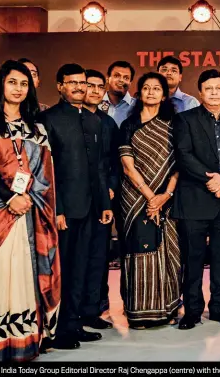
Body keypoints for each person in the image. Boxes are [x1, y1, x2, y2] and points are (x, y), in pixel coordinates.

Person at [0, 60, 60, 361]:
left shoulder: (37, 126)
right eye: (12, 82)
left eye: (23, 84)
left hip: (31, 213)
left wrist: (29, 199)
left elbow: (46, 173)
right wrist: (9, 198)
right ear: (1, 85)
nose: (18, 89)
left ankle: (22, 341)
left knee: (23, 273)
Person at [39, 64, 113, 349]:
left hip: (92, 209)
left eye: (83, 82)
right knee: (62, 270)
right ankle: (54, 331)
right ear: (59, 86)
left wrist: (104, 204)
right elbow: (46, 170)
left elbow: (100, 169)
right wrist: (56, 209)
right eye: (72, 82)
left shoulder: (95, 121)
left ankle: (73, 324)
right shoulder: (47, 119)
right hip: (63, 211)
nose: (80, 87)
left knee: (81, 268)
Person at [173, 69, 220, 330]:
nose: (214, 93)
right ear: (200, 92)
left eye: (219, 88)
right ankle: (192, 310)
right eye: (209, 88)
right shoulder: (185, 120)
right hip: (194, 200)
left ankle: (219, 307)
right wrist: (211, 180)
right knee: (192, 259)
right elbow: (184, 155)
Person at [118, 72, 181, 329]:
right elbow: (127, 166)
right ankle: (138, 312)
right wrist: (150, 197)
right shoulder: (128, 125)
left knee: (168, 251)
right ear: (139, 93)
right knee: (139, 251)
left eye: (157, 88)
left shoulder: (175, 125)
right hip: (134, 199)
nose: (151, 92)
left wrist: (164, 196)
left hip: (168, 196)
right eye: (146, 88)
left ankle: (167, 309)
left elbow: (180, 164)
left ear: (164, 95)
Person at [82, 69, 120, 329]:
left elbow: (116, 162)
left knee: (98, 258)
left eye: (99, 87)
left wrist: (112, 187)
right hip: (77, 201)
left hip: (103, 201)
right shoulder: (70, 119)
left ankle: (94, 310)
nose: (94, 91)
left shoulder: (108, 123)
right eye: (89, 85)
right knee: (76, 259)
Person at [99, 61, 136, 127]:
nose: (121, 80)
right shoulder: (95, 103)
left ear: (130, 83)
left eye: (126, 78)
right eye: (116, 76)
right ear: (107, 78)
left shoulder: (138, 106)